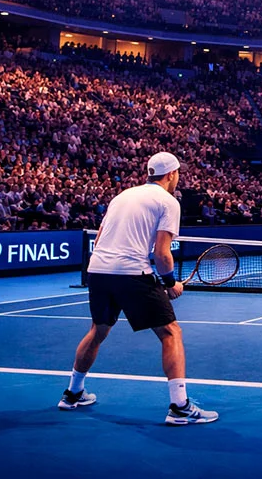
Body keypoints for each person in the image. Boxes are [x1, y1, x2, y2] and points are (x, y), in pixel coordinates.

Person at [58, 152, 217, 425]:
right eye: (178, 173)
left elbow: (101, 235)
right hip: (131, 271)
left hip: (97, 270)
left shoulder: (122, 196)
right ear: (171, 174)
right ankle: (180, 407)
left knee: (98, 330)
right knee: (171, 332)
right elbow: (162, 254)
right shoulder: (168, 201)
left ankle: (73, 393)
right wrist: (170, 283)